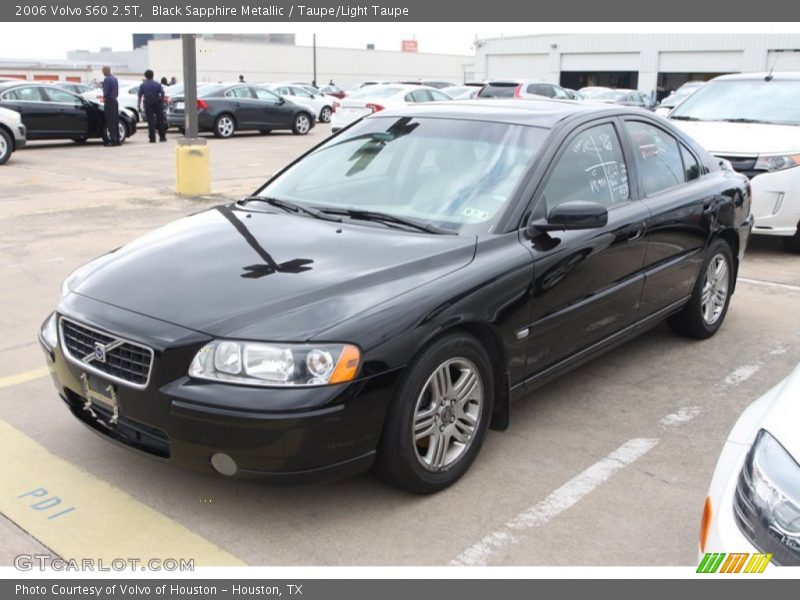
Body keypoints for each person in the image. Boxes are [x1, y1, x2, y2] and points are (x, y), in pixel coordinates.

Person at [137, 69, 167, 143]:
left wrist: (138, 105)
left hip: (147, 102)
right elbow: (162, 93)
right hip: (157, 102)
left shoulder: (143, 85)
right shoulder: (157, 84)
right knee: (160, 120)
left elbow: (140, 96)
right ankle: (162, 137)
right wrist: (161, 100)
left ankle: (152, 138)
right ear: (153, 75)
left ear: (145, 76)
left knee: (151, 121)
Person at [101, 66, 120, 146]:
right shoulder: (115, 79)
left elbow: (106, 92)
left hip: (109, 101)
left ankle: (113, 140)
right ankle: (117, 140)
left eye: (103, 71)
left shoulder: (107, 79)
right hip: (115, 100)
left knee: (110, 121)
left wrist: (104, 97)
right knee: (115, 121)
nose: (103, 72)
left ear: (105, 71)